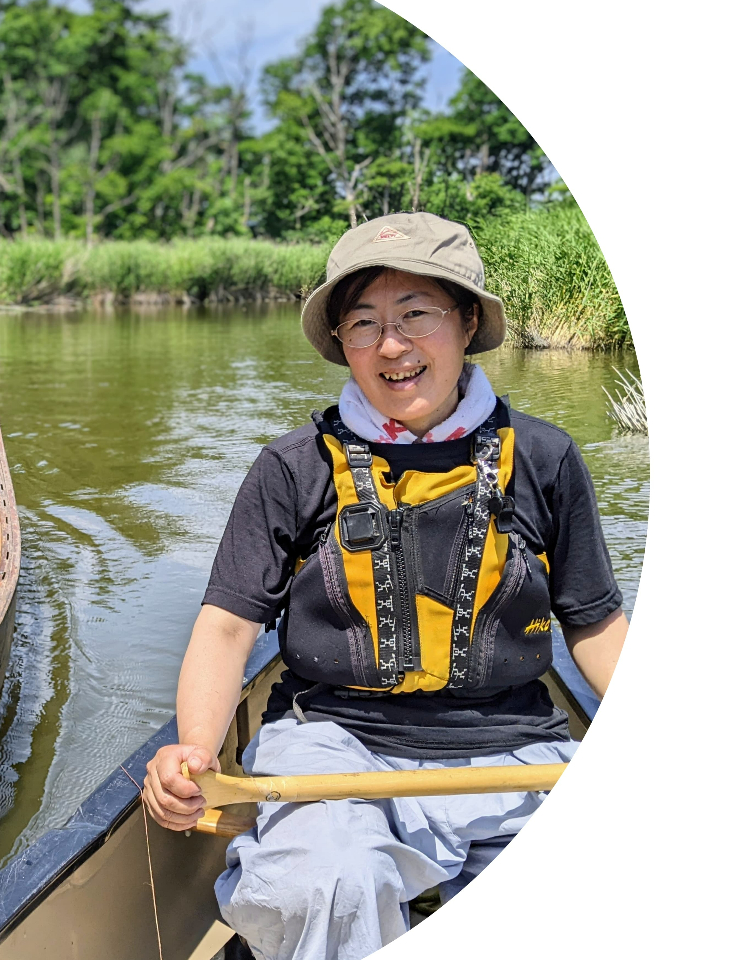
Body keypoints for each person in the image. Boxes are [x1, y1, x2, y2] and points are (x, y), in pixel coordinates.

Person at [142, 213, 627, 960]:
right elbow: (228, 626)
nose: (391, 346)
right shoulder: (293, 466)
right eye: (363, 324)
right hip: (332, 744)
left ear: (467, 322)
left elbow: (593, 623)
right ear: (341, 342)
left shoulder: (546, 458)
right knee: (324, 883)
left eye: (415, 316)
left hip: (516, 748)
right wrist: (196, 751)